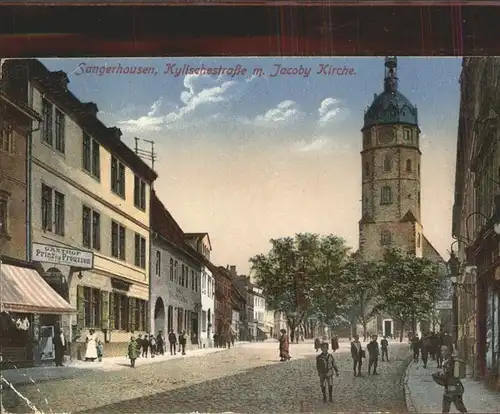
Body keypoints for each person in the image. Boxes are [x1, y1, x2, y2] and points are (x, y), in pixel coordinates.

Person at [432, 347, 467, 413]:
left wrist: (437, 375)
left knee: (448, 406)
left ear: (448, 352)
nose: (442, 353)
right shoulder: (450, 360)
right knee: (458, 405)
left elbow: (447, 375)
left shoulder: (449, 362)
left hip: (451, 387)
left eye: (444, 351)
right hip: (456, 386)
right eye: (442, 351)